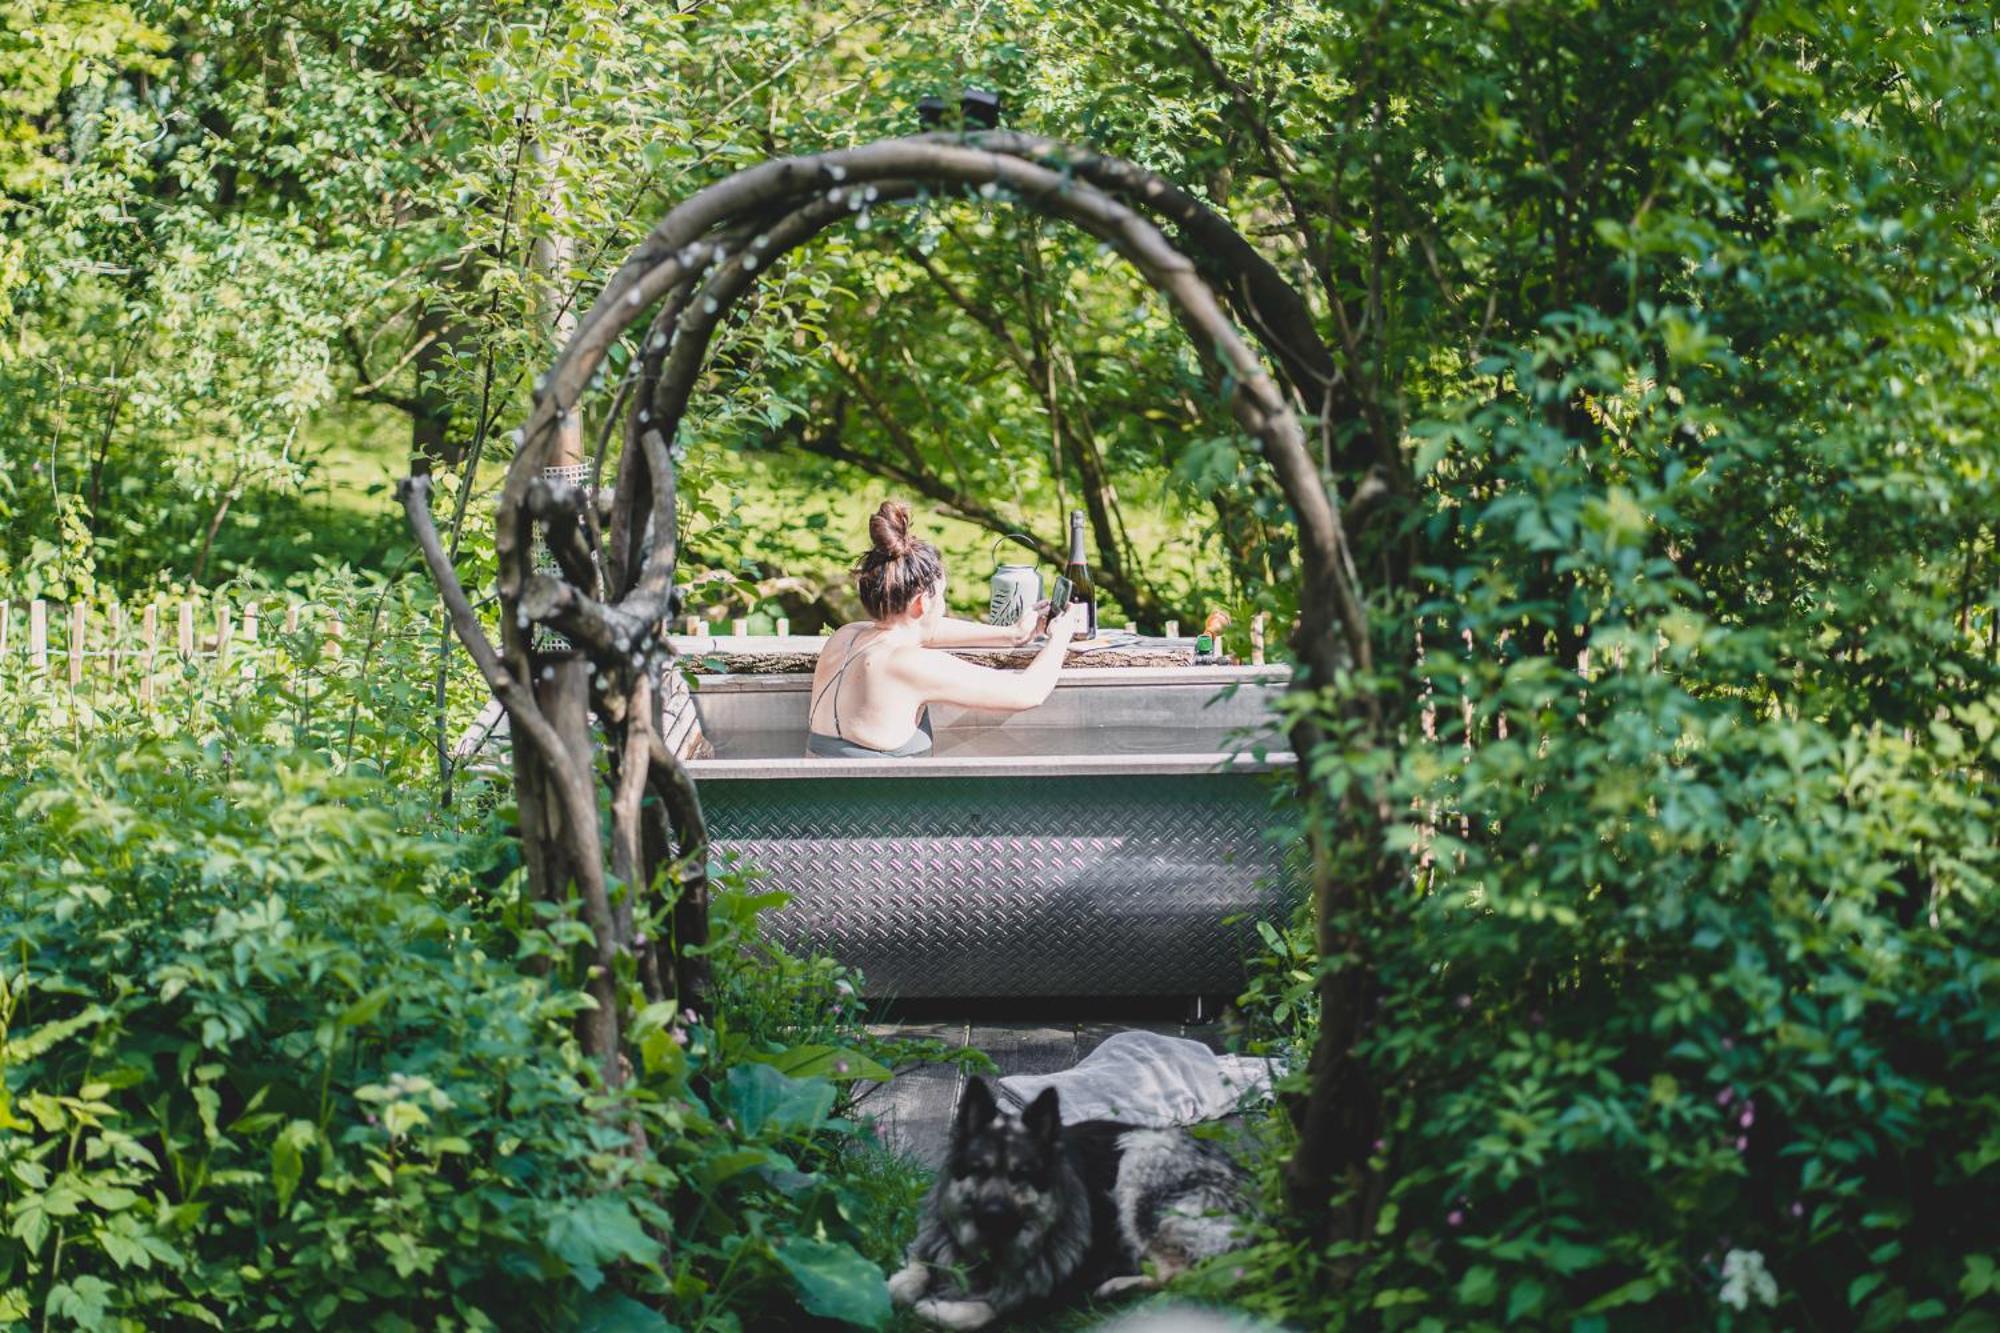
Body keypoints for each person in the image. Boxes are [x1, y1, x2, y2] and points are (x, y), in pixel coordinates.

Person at [806, 500, 1088, 758]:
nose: (942, 606)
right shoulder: (908, 664)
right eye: (941, 596)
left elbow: (923, 631)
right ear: (921, 603)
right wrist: (1061, 636)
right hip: (887, 812)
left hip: (824, 806)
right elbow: (1027, 692)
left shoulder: (845, 637)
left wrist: (1011, 634)